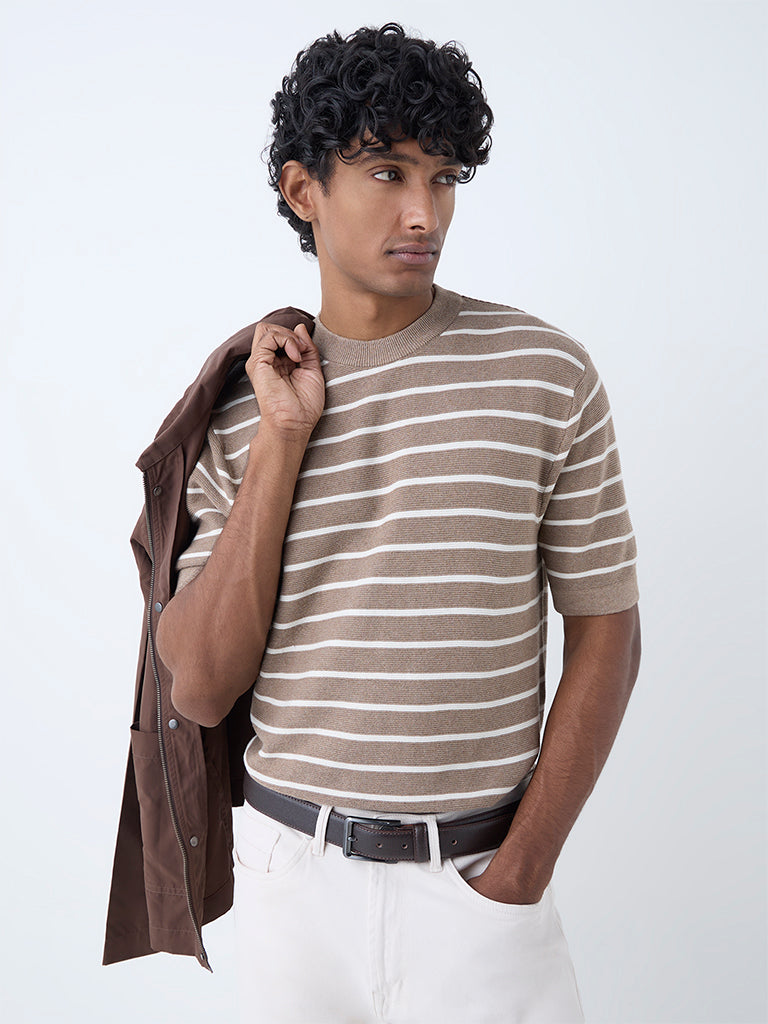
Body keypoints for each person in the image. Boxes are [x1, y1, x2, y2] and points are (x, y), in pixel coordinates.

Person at [104, 22, 640, 1024]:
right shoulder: (243, 403)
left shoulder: (545, 373)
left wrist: (522, 868)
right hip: (290, 885)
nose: (423, 211)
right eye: (387, 172)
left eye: (443, 178)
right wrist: (282, 438)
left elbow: (607, 631)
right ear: (302, 190)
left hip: (480, 884)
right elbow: (202, 686)